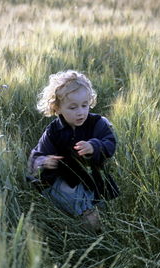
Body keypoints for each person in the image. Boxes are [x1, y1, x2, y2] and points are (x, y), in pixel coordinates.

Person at [28, 70, 119, 233]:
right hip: (64, 179)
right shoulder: (53, 131)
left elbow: (110, 143)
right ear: (57, 108)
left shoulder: (96, 123)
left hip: (92, 176)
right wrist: (44, 161)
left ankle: (100, 231)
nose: (80, 112)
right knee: (80, 205)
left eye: (85, 105)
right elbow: (36, 157)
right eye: (73, 107)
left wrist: (94, 146)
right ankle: (88, 233)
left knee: (102, 208)